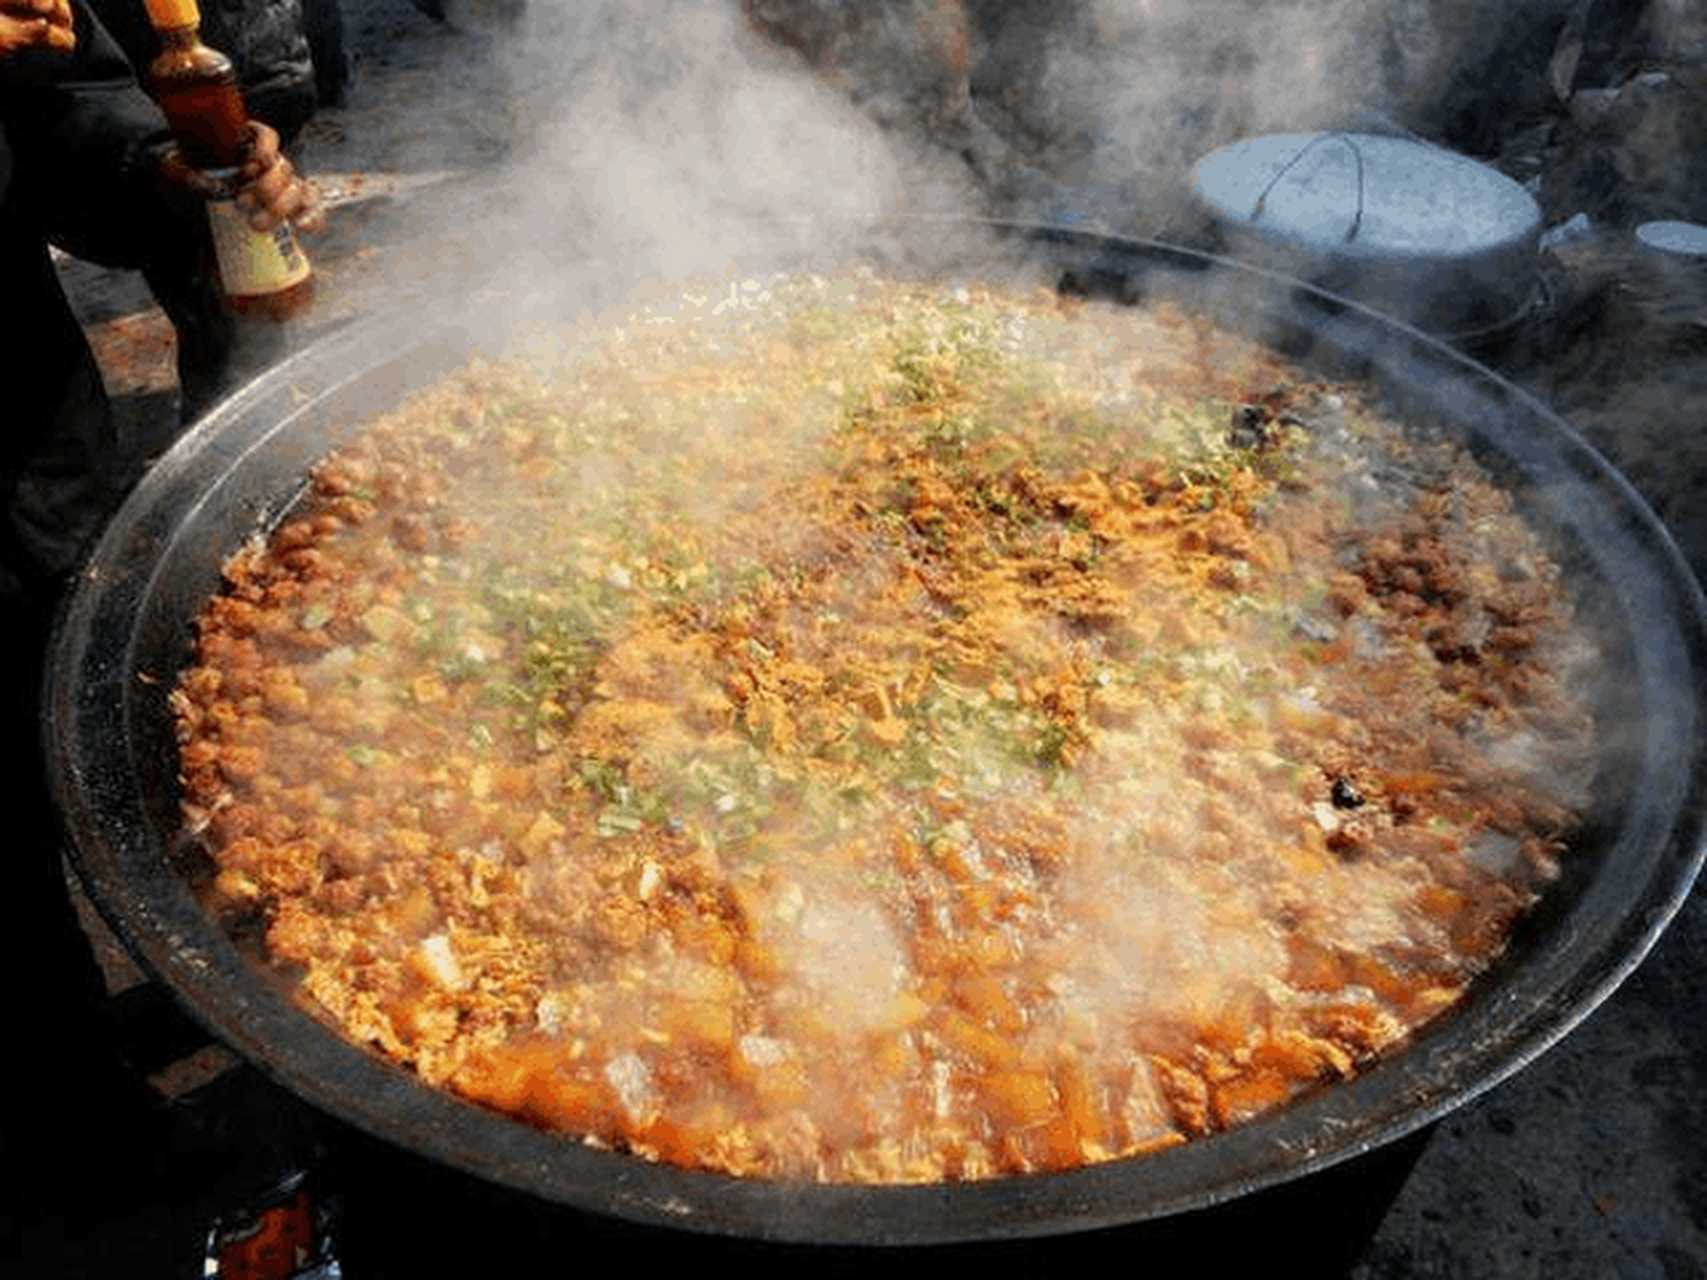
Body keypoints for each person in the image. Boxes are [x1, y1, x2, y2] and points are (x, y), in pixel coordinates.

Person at [0, 0, 320, 1220]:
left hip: (23, 439)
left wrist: (165, 166)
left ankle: (93, 1095)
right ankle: (71, 1143)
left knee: (73, 730)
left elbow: (60, 112)